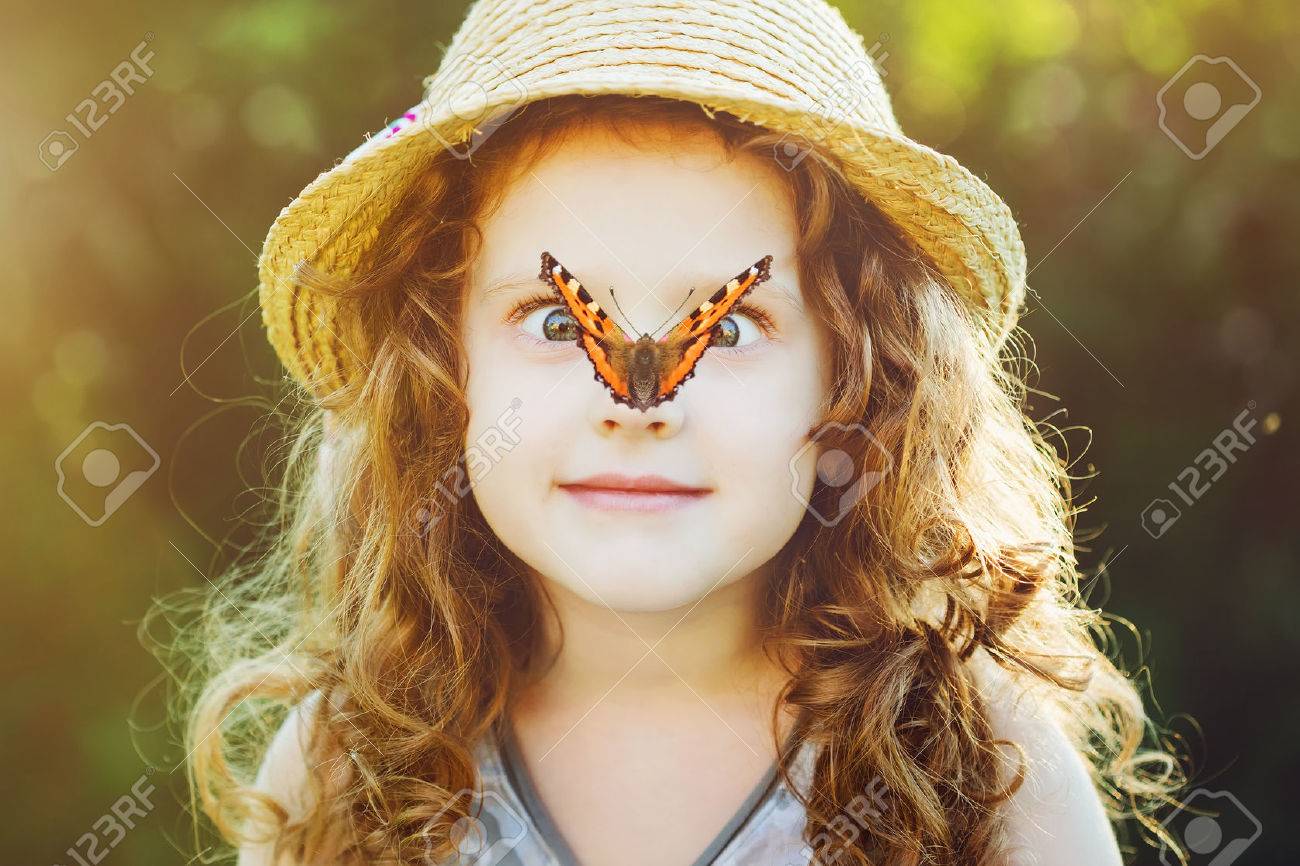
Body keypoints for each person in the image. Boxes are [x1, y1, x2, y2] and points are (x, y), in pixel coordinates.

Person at [175, 1, 1188, 863]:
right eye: (561, 321)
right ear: (444, 375)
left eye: (731, 324)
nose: (637, 403)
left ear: (857, 378)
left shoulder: (981, 769)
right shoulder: (345, 768)